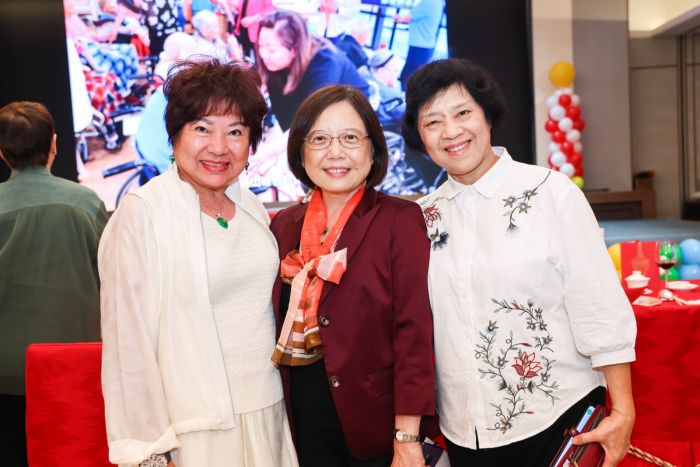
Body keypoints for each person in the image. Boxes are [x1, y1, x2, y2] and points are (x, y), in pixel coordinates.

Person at [402, 58, 637, 467]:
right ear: (420, 136)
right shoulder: (422, 217)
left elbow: (598, 304)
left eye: (462, 113)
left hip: (558, 420)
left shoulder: (550, 193)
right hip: (464, 431)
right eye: (433, 122)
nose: (451, 131)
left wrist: (623, 410)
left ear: (487, 114)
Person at [99, 59, 298, 467]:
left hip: (269, 411)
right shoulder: (143, 212)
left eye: (236, 131)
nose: (219, 147)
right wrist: (148, 451)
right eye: (202, 129)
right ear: (175, 135)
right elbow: (127, 345)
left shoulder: (250, 205)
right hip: (195, 430)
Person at [270, 84, 436, 466]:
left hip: (375, 431)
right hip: (301, 429)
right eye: (319, 139)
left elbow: (414, 334)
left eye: (350, 138)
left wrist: (407, 436)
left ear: (372, 149)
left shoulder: (399, 220)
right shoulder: (283, 225)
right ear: (300, 151)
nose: (335, 152)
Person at [0, 101, 107, 467]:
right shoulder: (86, 202)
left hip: (6, 374)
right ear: (55, 145)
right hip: (74, 366)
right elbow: (112, 281)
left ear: (2, 151)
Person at [255, 9, 370, 132]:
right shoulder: (276, 66)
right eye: (260, 46)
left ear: (294, 48)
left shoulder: (325, 64)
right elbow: (285, 115)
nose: (263, 55)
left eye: (271, 50)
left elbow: (313, 122)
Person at [395, 0, 444, 90]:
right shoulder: (438, 2)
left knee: (409, 79)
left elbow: (404, 18)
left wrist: (397, 17)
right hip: (426, 46)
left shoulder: (428, 2)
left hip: (419, 46)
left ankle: (405, 97)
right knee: (416, 78)